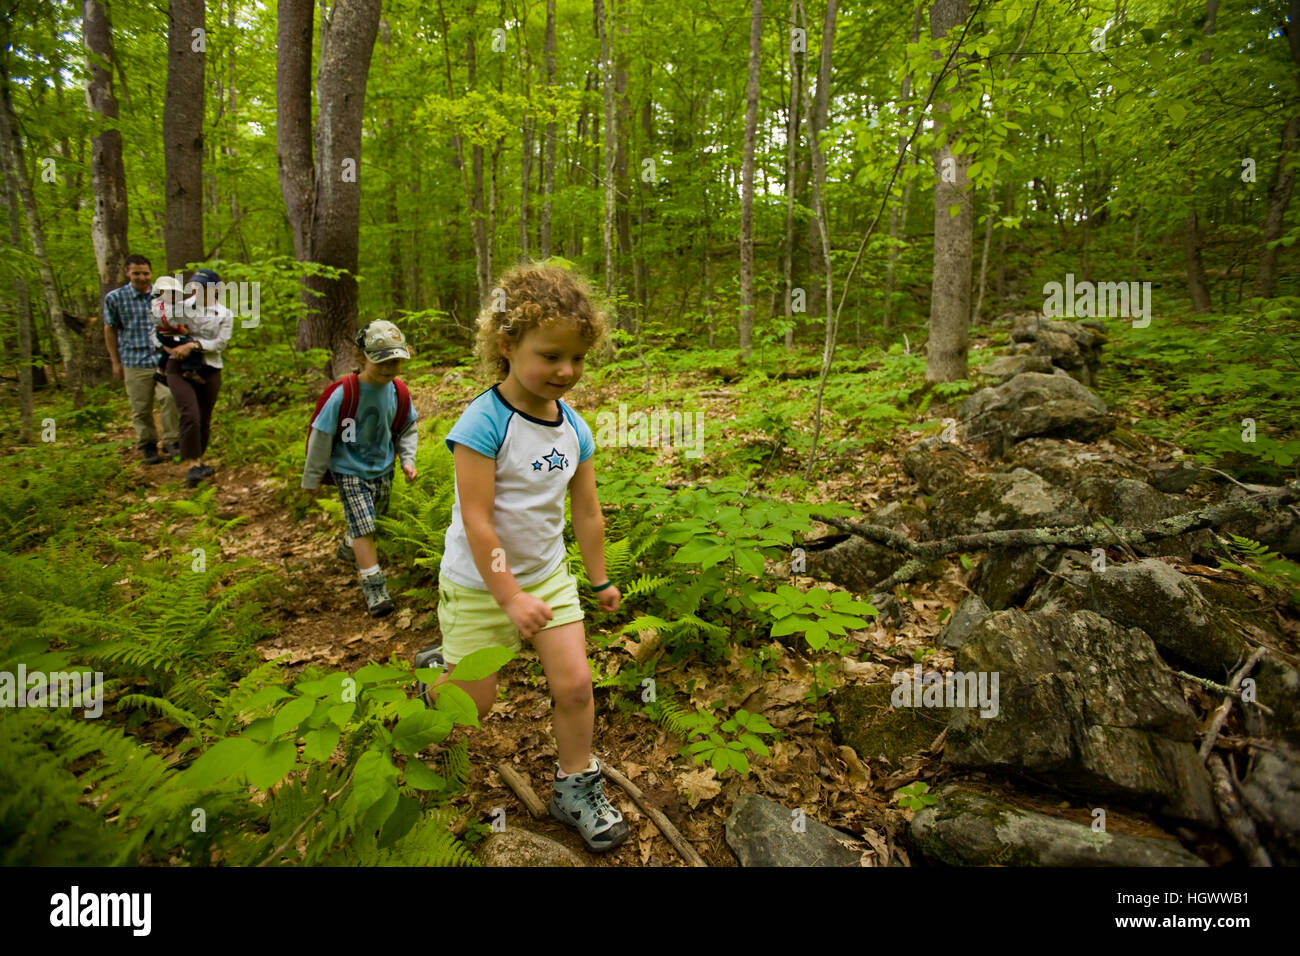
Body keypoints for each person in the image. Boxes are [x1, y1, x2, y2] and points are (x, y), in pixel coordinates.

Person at [424, 262, 628, 854]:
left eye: (578, 358)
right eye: (551, 355)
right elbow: (477, 518)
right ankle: (432, 687)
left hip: (549, 579)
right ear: (507, 345)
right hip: (478, 586)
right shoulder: (482, 423)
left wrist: (599, 579)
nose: (567, 371)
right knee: (473, 709)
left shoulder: (574, 429)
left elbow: (587, 513)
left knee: (576, 686)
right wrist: (508, 597)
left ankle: (574, 787)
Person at [302, 320, 419, 618]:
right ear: (360, 358)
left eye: (395, 361)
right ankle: (375, 587)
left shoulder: (398, 392)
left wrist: (407, 459)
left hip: (382, 468)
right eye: (381, 361)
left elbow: (407, 427)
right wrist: (312, 478)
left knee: (372, 518)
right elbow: (321, 435)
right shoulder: (344, 393)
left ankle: (348, 543)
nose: (389, 368)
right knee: (365, 527)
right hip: (349, 469)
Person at [154, 268, 232, 487]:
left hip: (209, 367)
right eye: (195, 286)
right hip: (178, 367)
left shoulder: (225, 313)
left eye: (203, 287)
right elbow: (157, 331)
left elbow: (221, 342)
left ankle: (199, 460)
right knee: (190, 413)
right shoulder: (178, 308)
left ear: (215, 290)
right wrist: (170, 349)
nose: (197, 290)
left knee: (204, 417)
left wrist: (194, 345)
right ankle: (192, 465)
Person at [103, 253, 180, 464]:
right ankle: (147, 445)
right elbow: (110, 329)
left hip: (162, 358)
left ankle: (172, 441)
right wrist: (115, 362)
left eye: (145, 273)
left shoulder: (163, 294)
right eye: (136, 273)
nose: (141, 277)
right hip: (134, 359)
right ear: (127, 273)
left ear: (151, 273)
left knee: (170, 397)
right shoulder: (115, 298)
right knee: (141, 406)